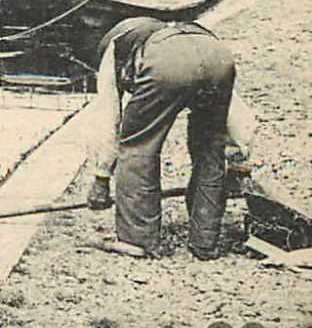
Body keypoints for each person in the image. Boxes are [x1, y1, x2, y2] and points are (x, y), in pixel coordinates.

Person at [84, 16, 256, 259]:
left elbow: (106, 120)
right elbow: (238, 116)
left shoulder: (114, 51)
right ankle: (205, 242)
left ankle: (138, 239)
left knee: (138, 145)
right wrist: (239, 165)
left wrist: (101, 178)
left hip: (166, 66)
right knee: (210, 145)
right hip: (218, 56)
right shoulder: (176, 33)